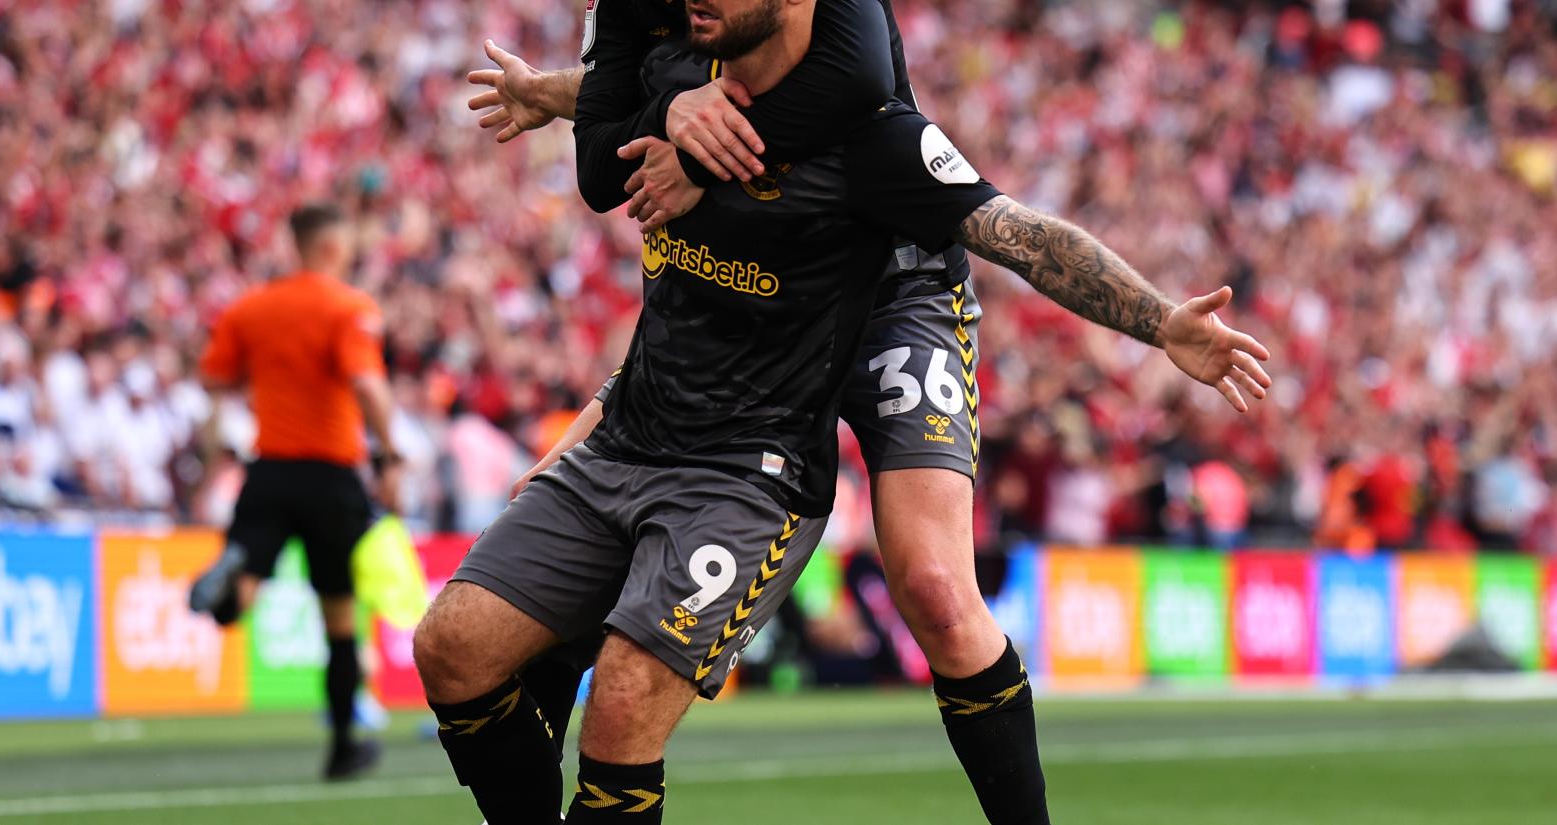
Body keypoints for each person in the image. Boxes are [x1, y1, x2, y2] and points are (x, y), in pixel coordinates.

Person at [416, 2, 1273, 823]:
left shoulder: (867, 114)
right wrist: (586, 98)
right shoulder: (678, 63)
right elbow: (611, 90)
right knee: (502, 615)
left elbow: (1017, 230)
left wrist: (1160, 322)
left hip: (898, 287)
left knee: (936, 587)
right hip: (742, 344)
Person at [187, 205, 402, 781]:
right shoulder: (348, 307)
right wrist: (389, 455)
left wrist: (268, 374)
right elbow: (365, 383)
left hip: (269, 471)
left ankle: (236, 581)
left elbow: (213, 377)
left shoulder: (251, 308)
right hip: (331, 476)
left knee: (249, 585)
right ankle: (342, 746)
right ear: (333, 248)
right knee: (338, 616)